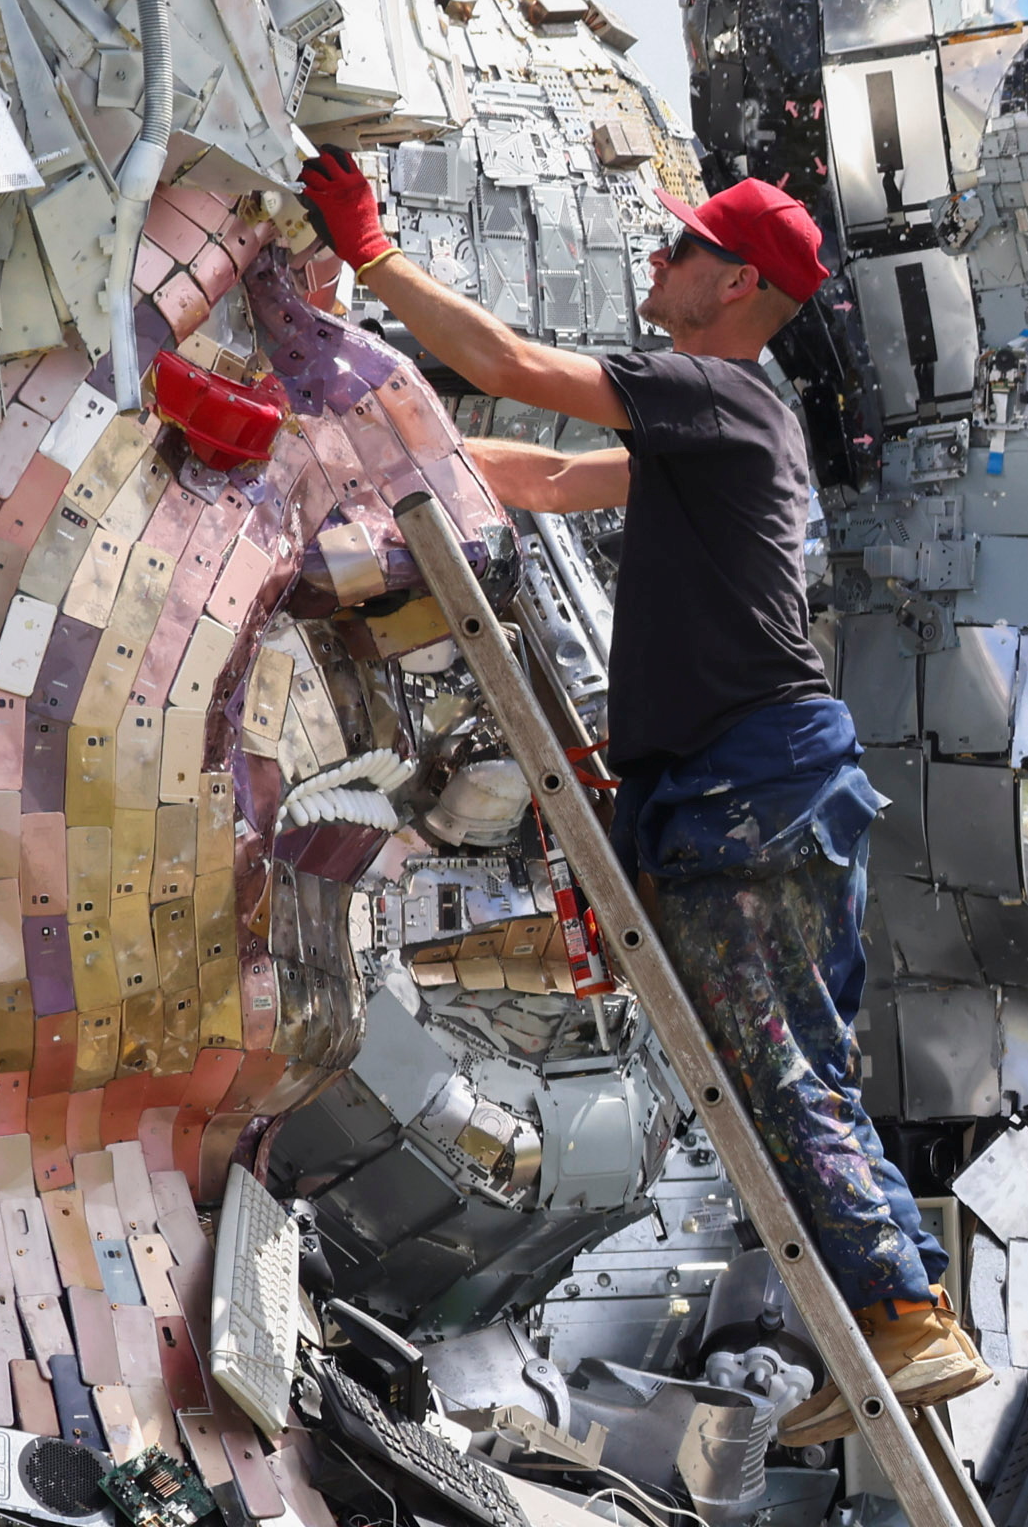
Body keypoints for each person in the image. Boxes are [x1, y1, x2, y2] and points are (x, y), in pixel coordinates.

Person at [296, 148, 987, 1441]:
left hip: (748, 793)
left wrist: (375, 256)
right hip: (780, 787)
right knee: (806, 1072)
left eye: (679, 251)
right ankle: (906, 1318)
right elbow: (543, 473)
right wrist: (379, 443)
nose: (656, 265)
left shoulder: (715, 389)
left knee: (771, 1069)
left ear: (732, 280)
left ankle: (898, 1313)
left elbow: (508, 369)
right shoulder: (728, 429)